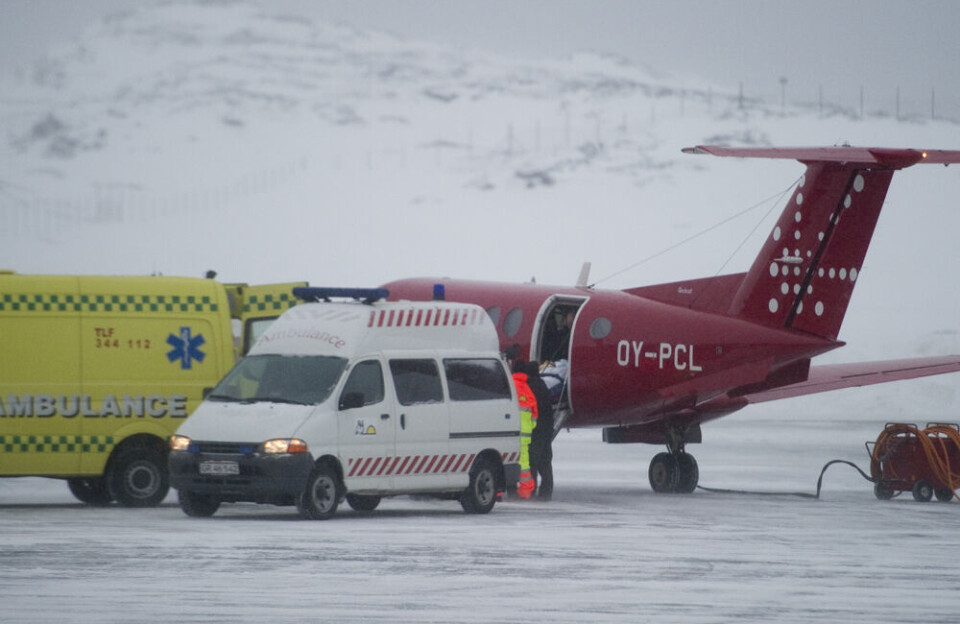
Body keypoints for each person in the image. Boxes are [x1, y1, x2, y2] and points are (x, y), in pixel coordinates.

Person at [505, 345, 536, 499]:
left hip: (509, 433)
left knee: (503, 459)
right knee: (524, 465)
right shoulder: (527, 390)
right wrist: (529, 428)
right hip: (525, 437)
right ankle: (525, 492)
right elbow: (534, 414)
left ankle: (501, 491)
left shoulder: (509, 386)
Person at [525, 361, 554, 501]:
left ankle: (531, 490)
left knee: (532, 460)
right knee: (545, 460)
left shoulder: (530, 387)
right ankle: (546, 491)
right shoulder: (542, 385)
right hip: (547, 427)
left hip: (536, 428)